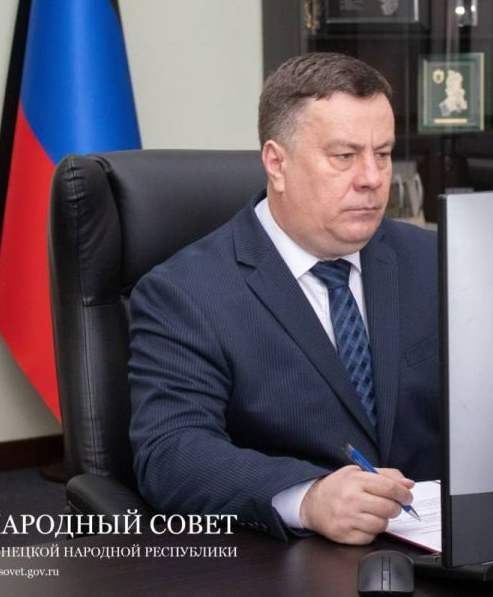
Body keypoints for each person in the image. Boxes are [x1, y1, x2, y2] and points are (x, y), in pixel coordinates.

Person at [128, 52, 439, 545]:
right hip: (289, 555)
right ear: (277, 163)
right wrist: (308, 498)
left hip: (445, 548)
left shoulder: (433, 259)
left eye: (382, 154)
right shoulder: (185, 293)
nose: (372, 178)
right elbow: (170, 451)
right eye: (344, 156)